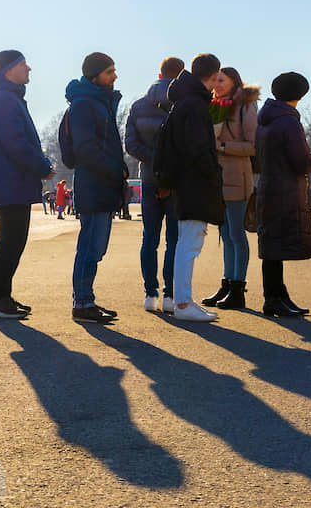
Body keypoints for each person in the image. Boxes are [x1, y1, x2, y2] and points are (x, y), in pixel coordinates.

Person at [0, 50, 53, 318]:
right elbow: (16, 143)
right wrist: (42, 167)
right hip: (11, 181)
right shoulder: (3, 99)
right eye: (24, 64)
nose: (29, 68)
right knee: (11, 241)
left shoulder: (9, 98)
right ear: (9, 69)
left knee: (14, 241)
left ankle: (2, 296)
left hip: (14, 181)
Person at [158, 54, 225, 321]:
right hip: (195, 182)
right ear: (213, 74)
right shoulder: (195, 105)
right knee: (190, 242)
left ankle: (182, 301)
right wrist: (213, 173)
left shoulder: (183, 101)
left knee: (186, 241)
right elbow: (198, 148)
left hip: (185, 181)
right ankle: (183, 303)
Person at [65, 52, 127, 322]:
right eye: (109, 72)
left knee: (96, 247)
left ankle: (86, 300)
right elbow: (86, 149)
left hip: (102, 184)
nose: (114, 76)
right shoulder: (84, 105)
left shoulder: (97, 102)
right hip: (94, 184)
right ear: (95, 77)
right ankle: (82, 303)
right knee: (90, 246)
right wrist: (115, 169)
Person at [255, 72, 311, 316]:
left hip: (268, 186)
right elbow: (301, 162)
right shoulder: (288, 122)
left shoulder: (267, 120)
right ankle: (273, 298)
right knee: (275, 246)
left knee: (271, 245)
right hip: (284, 191)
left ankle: (278, 295)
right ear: (300, 95)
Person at [124, 57, 184, 313]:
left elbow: (130, 144)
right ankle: (171, 295)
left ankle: (150, 293)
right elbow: (187, 145)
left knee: (150, 237)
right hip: (178, 181)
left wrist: (154, 162)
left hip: (148, 178)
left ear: (159, 74)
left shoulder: (138, 106)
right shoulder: (184, 105)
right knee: (175, 239)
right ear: (182, 76)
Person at [200, 67, 259, 310]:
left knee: (236, 234)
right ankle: (226, 284)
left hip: (237, 177)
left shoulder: (245, 106)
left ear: (234, 81)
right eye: (214, 80)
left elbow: (253, 146)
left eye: (221, 80)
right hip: (217, 180)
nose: (216, 84)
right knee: (224, 236)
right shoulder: (214, 106)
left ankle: (238, 288)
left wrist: (222, 145)